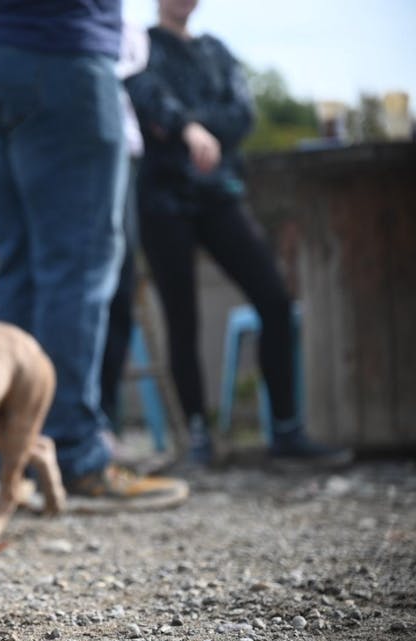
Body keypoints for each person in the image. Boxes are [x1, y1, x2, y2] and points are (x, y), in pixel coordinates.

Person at [0, 0, 188, 509]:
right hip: (60, 52)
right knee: (77, 263)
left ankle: (2, 461)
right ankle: (73, 455)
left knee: (18, 267)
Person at [125, 0, 349, 465]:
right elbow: (146, 100)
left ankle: (286, 430)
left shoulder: (216, 50)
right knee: (181, 318)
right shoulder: (141, 46)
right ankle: (199, 436)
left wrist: (189, 125)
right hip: (162, 200)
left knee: (275, 299)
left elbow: (241, 115)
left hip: (218, 193)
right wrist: (185, 125)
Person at [101, 22, 148, 432]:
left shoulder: (132, 33)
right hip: (90, 144)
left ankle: (103, 418)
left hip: (123, 152)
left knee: (119, 290)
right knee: (92, 287)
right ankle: (86, 428)